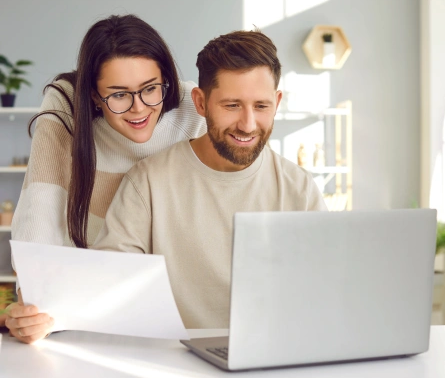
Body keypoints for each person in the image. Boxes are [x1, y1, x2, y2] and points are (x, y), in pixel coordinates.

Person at [92, 29, 328, 329]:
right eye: (232, 106)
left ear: (277, 102)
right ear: (201, 103)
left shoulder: (300, 189)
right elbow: (106, 286)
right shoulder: (148, 182)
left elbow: (325, 292)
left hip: (273, 362)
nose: (248, 124)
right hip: (173, 362)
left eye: (261, 106)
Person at [2, 14, 206, 342]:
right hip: (83, 308)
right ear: (95, 96)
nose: (139, 108)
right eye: (119, 95)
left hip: (175, 311)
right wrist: (32, 304)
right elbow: (41, 204)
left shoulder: (192, 109)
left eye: (150, 89)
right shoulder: (66, 102)